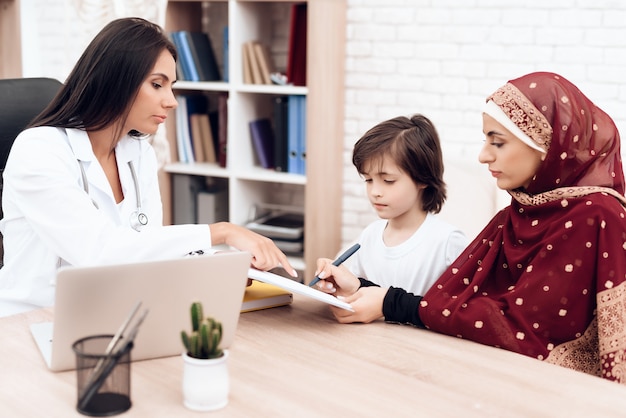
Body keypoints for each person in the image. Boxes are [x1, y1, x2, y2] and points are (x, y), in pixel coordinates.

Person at [314, 72, 626, 383]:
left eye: (498, 142)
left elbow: (519, 330)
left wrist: (387, 303)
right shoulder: (514, 216)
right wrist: (362, 290)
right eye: (485, 140)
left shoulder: (596, 215)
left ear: (547, 145)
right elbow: (449, 302)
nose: (483, 155)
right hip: (493, 378)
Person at [0, 17, 296, 314]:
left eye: (172, 87)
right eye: (157, 85)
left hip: (112, 314)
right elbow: (100, 252)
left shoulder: (138, 152)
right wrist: (222, 231)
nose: (172, 101)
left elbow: (145, 251)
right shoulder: (38, 151)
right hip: (30, 321)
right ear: (116, 81)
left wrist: (215, 267)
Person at [343, 114, 468, 297]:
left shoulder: (448, 243)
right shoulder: (369, 235)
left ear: (422, 177)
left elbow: (462, 309)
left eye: (388, 180)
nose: (375, 191)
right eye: (368, 180)